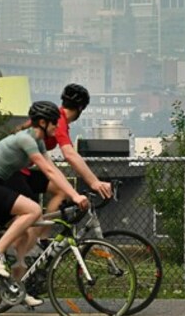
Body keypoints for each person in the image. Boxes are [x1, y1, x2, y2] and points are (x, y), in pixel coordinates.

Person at [0, 100, 89, 307]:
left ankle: (15, 287)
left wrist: (73, 193)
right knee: (33, 210)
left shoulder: (38, 141)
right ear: (42, 122)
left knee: (24, 233)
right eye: (53, 123)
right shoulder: (26, 140)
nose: (56, 127)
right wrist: (75, 196)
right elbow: (49, 171)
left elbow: (53, 171)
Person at [8, 84, 113, 233]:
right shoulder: (58, 120)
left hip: (22, 170)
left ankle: (41, 241)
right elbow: (70, 154)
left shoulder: (57, 118)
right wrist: (94, 182)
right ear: (81, 109)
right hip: (13, 172)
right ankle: (18, 247)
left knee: (61, 190)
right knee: (31, 212)